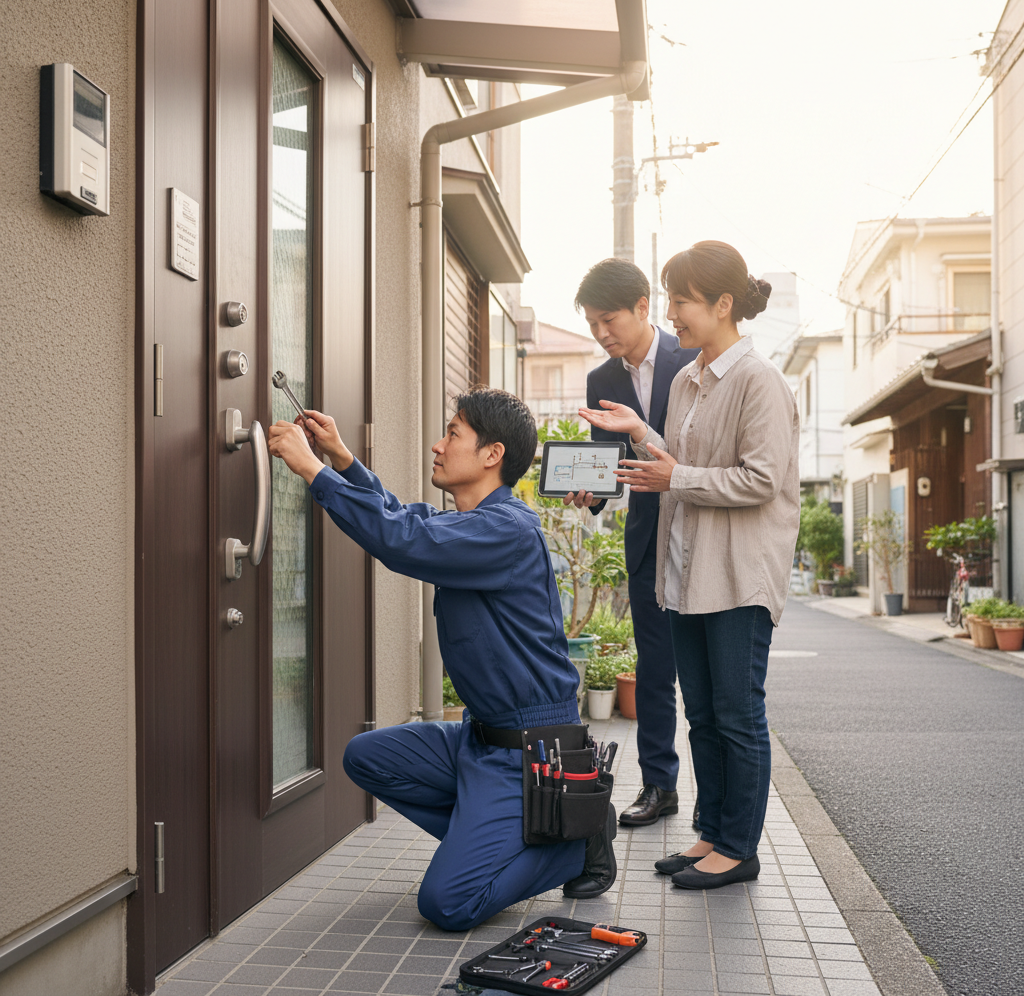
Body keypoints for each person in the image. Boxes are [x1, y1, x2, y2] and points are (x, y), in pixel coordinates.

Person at [266, 387, 617, 931]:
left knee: (448, 904)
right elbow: (406, 519)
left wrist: (312, 470)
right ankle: (499, 833)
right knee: (366, 757)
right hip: (481, 738)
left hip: (530, 749)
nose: (438, 444)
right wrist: (341, 459)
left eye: (453, 434)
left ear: (491, 454)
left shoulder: (506, 529)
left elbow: (402, 538)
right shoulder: (473, 525)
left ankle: (575, 843)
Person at [579, 240, 799, 890]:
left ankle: (739, 846)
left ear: (723, 304)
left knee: (736, 715)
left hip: (737, 577)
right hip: (685, 575)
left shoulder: (758, 381)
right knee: (702, 716)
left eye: (682, 300)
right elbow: (678, 459)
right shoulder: (688, 379)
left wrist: (673, 469)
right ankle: (710, 835)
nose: (672, 312)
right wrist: (640, 432)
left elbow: (761, 479)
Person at [565, 258, 700, 829]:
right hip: (647, 539)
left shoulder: (695, 359)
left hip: (702, 529)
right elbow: (608, 468)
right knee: (653, 671)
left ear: (644, 307)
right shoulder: (603, 381)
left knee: (705, 675)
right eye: (593, 323)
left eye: (609, 319)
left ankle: (713, 801)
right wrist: (589, 494)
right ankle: (659, 786)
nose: (602, 333)